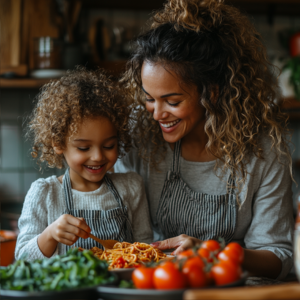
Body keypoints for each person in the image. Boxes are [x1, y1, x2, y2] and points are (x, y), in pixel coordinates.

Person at [115, 0, 294, 279]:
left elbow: (278, 258)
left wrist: (213, 252)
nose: (157, 114)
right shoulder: (139, 133)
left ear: (212, 93)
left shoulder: (263, 149)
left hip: (229, 290)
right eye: (149, 99)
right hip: (154, 284)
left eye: (172, 102)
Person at [15, 67, 153, 260]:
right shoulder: (45, 193)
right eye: (83, 148)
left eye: (108, 145)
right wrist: (50, 234)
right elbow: (22, 259)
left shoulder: (131, 186)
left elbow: (146, 250)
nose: (97, 156)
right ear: (58, 143)